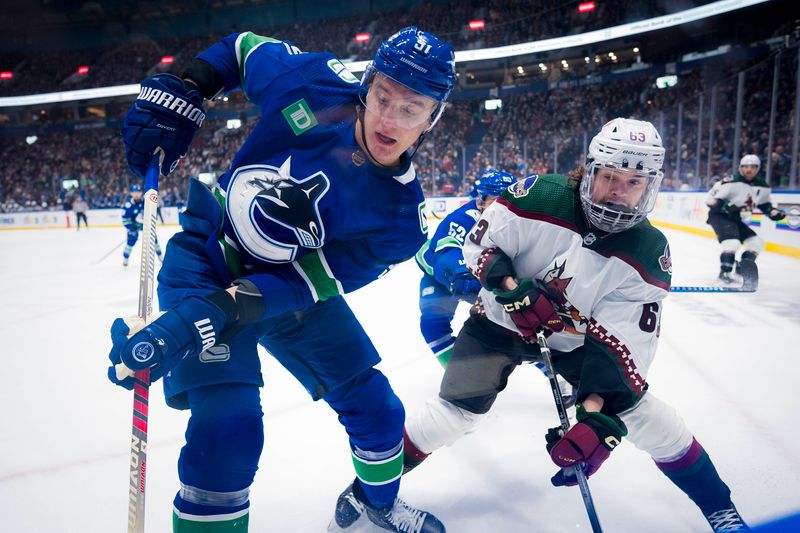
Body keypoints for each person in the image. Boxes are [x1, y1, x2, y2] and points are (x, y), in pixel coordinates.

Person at [108, 26, 456, 532]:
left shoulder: (400, 221)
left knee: (379, 415)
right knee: (228, 431)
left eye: (411, 109)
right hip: (209, 256)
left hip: (288, 293)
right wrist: (190, 87)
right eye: (383, 97)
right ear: (368, 85)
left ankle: (375, 504)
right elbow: (241, 48)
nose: (388, 118)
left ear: (433, 118)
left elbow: (307, 284)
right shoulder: (311, 83)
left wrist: (204, 317)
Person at [396, 118, 749, 532]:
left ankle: (721, 511)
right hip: (497, 324)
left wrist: (593, 416)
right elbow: (479, 244)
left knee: (649, 419)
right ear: (590, 170)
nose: (619, 191)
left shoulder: (649, 253)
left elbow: (621, 343)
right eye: (610, 176)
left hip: (575, 343)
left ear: (649, 185)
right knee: (453, 415)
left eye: (634, 182)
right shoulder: (537, 197)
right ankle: (369, 492)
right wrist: (510, 287)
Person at [415, 168, 515, 367]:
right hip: (442, 277)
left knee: (520, 323)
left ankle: (555, 373)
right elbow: (447, 250)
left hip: (480, 276)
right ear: (481, 199)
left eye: (507, 200)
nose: (502, 207)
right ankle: (458, 373)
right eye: (496, 200)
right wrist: (460, 273)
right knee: (432, 324)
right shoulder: (465, 217)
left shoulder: (515, 219)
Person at [706, 154, 785, 290]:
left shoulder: (762, 186)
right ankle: (724, 274)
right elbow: (710, 200)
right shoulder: (730, 181)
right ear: (740, 168)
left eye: (753, 167)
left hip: (735, 219)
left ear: (758, 169)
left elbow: (764, 204)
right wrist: (727, 206)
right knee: (732, 243)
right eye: (746, 167)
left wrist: (773, 212)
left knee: (757, 243)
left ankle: (740, 270)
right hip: (719, 216)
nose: (749, 170)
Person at [121, 183, 162, 267]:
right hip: (134, 226)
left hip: (146, 224)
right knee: (131, 241)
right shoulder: (128, 205)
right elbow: (125, 220)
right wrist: (131, 228)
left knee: (154, 240)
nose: (136, 194)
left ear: (141, 193)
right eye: (134, 192)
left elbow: (154, 212)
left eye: (138, 192)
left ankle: (161, 258)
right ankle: (125, 259)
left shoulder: (147, 201)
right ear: (131, 193)